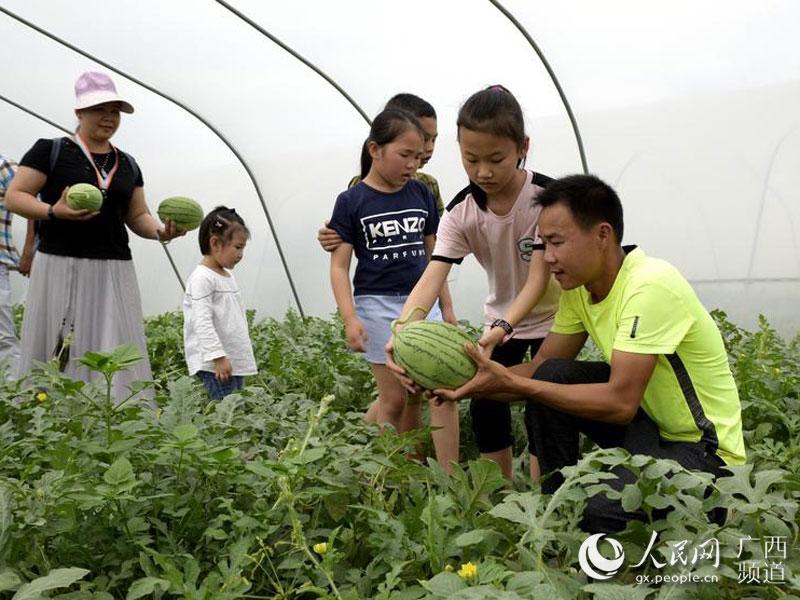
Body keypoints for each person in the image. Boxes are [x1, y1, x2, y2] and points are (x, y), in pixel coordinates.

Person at [434, 174, 746, 533]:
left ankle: (717, 510)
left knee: (597, 509)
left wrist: (515, 384)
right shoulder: (579, 292)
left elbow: (620, 402)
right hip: (650, 430)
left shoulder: (650, 284)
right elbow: (539, 367)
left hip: (705, 452)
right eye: (543, 245)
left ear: (602, 235)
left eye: (556, 243)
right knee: (550, 375)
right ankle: (555, 515)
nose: (547, 258)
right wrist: (469, 382)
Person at [386, 85, 561, 480]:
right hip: (501, 319)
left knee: (543, 403)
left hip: (552, 320)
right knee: (484, 403)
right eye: (471, 159)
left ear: (523, 147)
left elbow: (537, 282)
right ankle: (494, 494)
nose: (483, 171)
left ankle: (541, 493)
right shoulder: (462, 212)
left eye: (496, 159)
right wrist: (403, 328)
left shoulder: (546, 199)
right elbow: (433, 274)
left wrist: (501, 329)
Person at [6, 71, 184, 398]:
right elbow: (16, 195)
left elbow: (138, 215)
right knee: (54, 343)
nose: (108, 117)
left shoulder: (127, 163)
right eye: (99, 109)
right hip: (59, 264)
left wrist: (161, 232)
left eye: (114, 110)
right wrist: (52, 211)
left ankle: (112, 413)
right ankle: (46, 409)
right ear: (79, 112)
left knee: (114, 343)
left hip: (113, 267)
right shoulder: (51, 151)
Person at [328, 108, 459, 470]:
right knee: (395, 398)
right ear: (375, 150)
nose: (412, 166)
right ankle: (386, 472)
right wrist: (350, 318)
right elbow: (339, 266)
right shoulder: (352, 201)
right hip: (376, 305)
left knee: (440, 387)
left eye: (418, 158)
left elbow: (437, 256)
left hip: (423, 303)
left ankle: (452, 477)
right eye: (405, 155)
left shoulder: (420, 193)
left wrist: (446, 307)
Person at [318, 93, 442, 253]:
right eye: (424, 138)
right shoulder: (358, 189)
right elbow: (352, 238)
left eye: (434, 139)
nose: (430, 147)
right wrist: (333, 237)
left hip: (427, 275)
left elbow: (441, 236)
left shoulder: (426, 186)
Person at [183, 207, 256, 400]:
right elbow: (202, 321)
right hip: (216, 365)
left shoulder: (226, 275)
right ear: (215, 243)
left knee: (234, 413)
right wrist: (218, 357)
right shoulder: (202, 278)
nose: (241, 254)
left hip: (231, 362)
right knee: (225, 418)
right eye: (238, 247)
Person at [0, 155, 37, 377]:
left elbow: (33, 199)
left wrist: (29, 250)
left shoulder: (3, 165)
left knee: (2, 335)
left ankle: (18, 397)